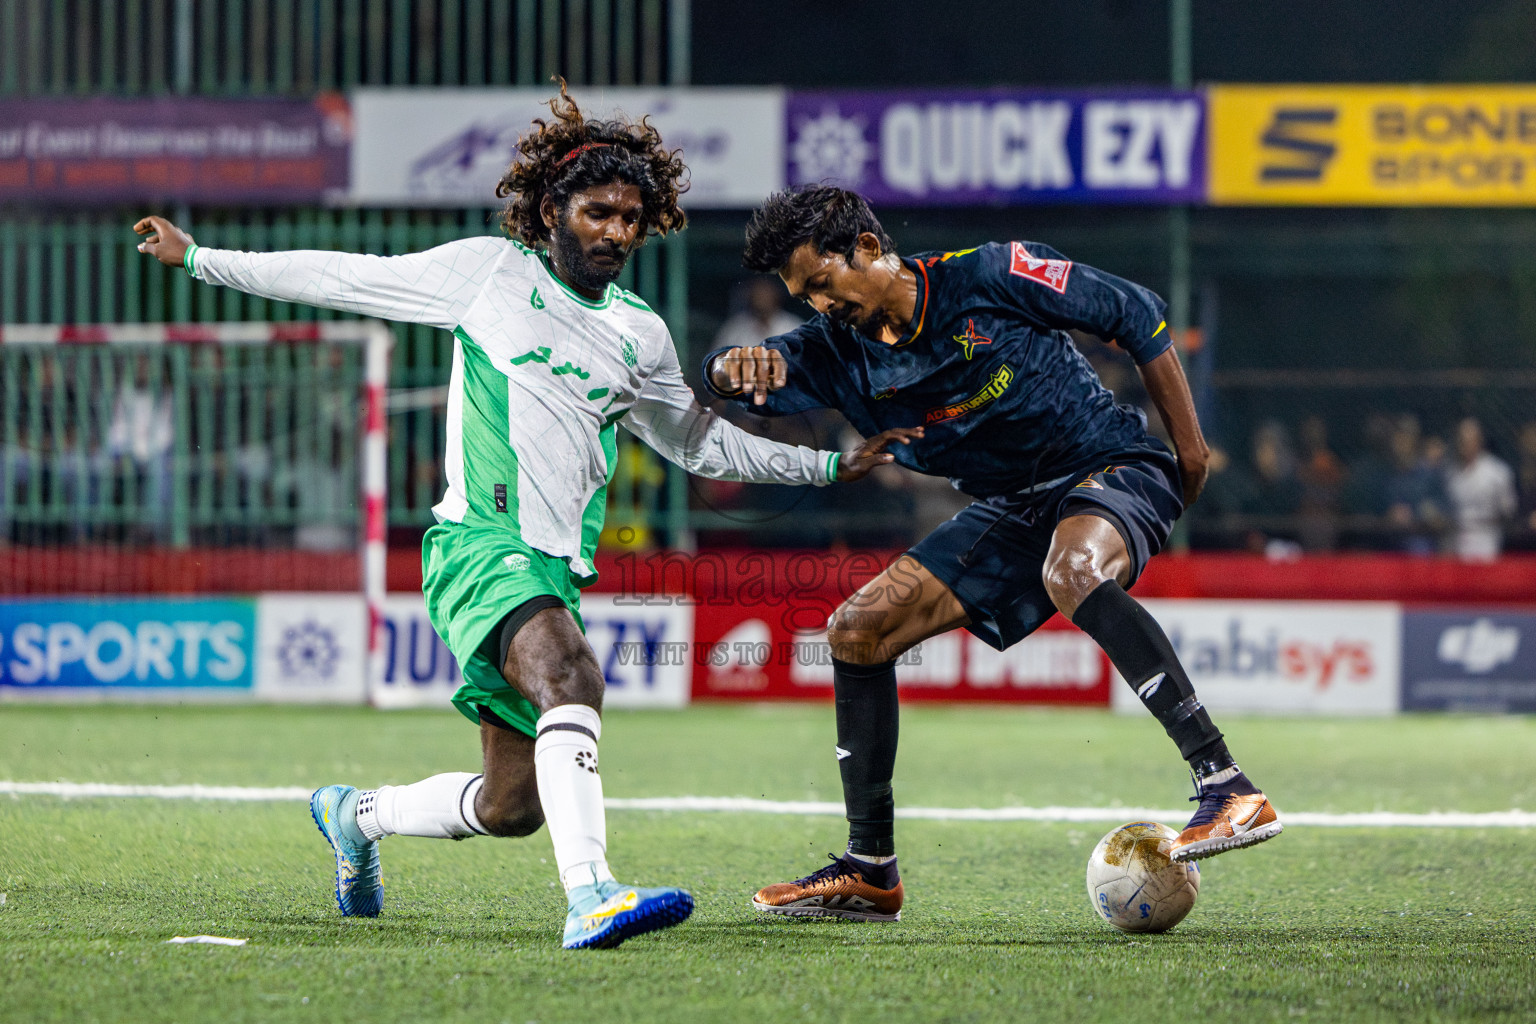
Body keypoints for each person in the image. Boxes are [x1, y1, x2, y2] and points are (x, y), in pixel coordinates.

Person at [133, 90, 911, 950]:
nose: (616, 232)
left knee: (510, 809)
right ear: (552, 211)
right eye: (598, 212)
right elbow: (345, 275)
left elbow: (700, 444)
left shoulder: (640, 335)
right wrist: (203, 258)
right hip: (478, 546)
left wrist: (828, 463)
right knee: (572, 677)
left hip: (551, 571)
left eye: (631, 218)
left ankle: (355, 817)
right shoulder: (490, 274)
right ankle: (593, 897)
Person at [706, 185, 1281, 922]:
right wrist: (731, 370)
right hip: (1013, 508)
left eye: (823, 283)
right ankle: (870, 869)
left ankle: (1227, 784)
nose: (819, 305)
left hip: (1109, 461)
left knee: (1072, 571)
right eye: (802, 295)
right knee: (858, 631)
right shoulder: (833, 350)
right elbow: (742, 367)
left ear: (871, 249)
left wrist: (1192, 455)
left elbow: (1138, 313)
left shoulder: (990, 273)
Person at [1444, 416, 1516, 561]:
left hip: (1488, 540)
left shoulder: (1498, 472)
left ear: (1479, 441)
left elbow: (1508, 509)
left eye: (1470, 440)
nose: (1465, 445)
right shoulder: (1450, 473)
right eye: (1462, 440)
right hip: (1457, 540)